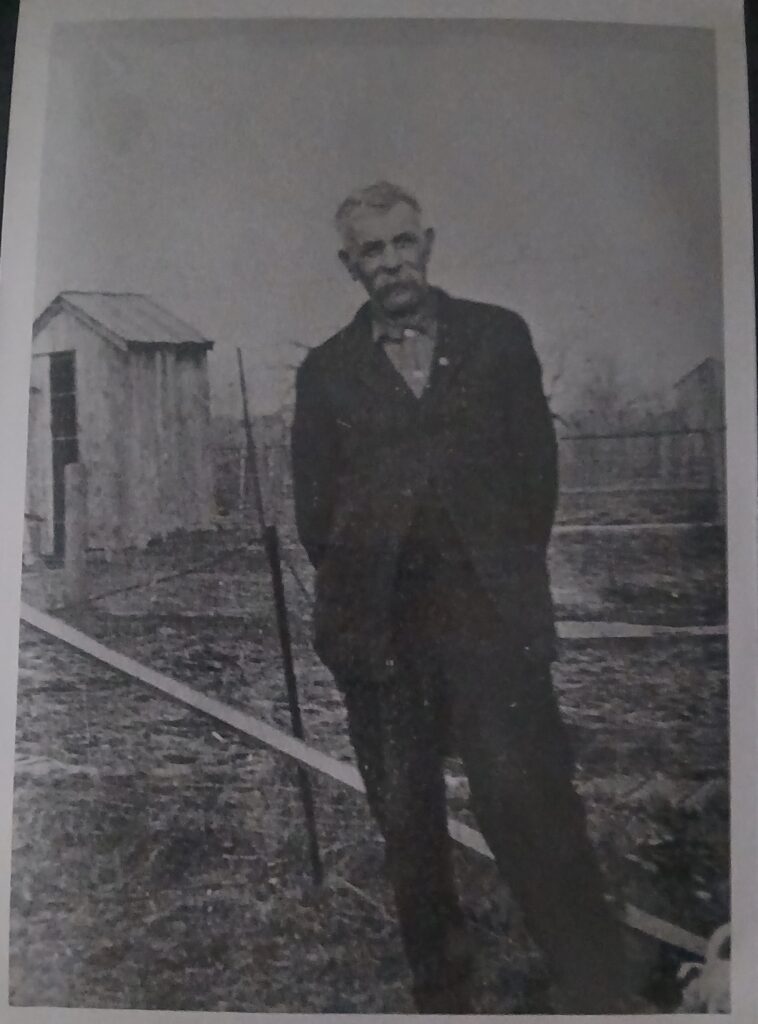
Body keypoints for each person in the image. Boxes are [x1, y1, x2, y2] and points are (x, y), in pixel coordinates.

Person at [291, 180, 634, 1013]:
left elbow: (535, 483)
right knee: (410, 830)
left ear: (429, 244)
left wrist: (495, 576)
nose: (391, 262)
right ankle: (444, 997)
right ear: (349, 265)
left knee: (532, 805)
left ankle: (601, 991)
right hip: (384, 636)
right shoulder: (327, 372)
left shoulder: (498, 338)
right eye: (371, 250)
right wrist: (372, 589)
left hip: (490, 624)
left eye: (402, 242)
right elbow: (315, 515)